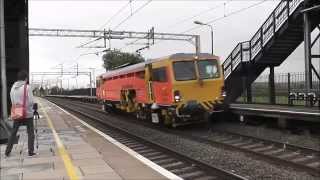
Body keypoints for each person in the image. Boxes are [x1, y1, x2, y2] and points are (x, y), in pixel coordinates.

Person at [5, 70, 36, 157]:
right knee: (30, 132)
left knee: (13, 132)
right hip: (27, 113)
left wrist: (18, 107)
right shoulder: (27, 87)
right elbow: (30, 101)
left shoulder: (13, 88)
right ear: (26, 78)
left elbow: (12, 101)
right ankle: (30, 151)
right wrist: (29, 108)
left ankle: (7, 151)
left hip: (17, 112)